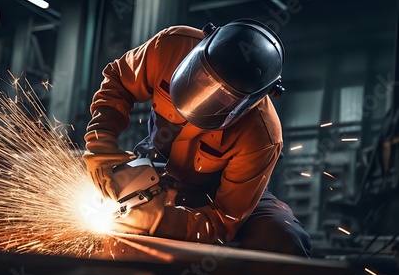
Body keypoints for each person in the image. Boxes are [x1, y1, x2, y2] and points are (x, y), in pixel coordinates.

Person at [83, 19, 312, 257]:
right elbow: (119, 80)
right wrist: (101, 141)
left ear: (251, 101)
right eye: (202, 78)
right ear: (203, 44)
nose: (203, 96)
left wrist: (161, 221)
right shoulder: (171, 45)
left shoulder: (262, 135)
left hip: (219, 194)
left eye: (223, 97)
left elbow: (225, 219)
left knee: (283, 238)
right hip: (157, 167)